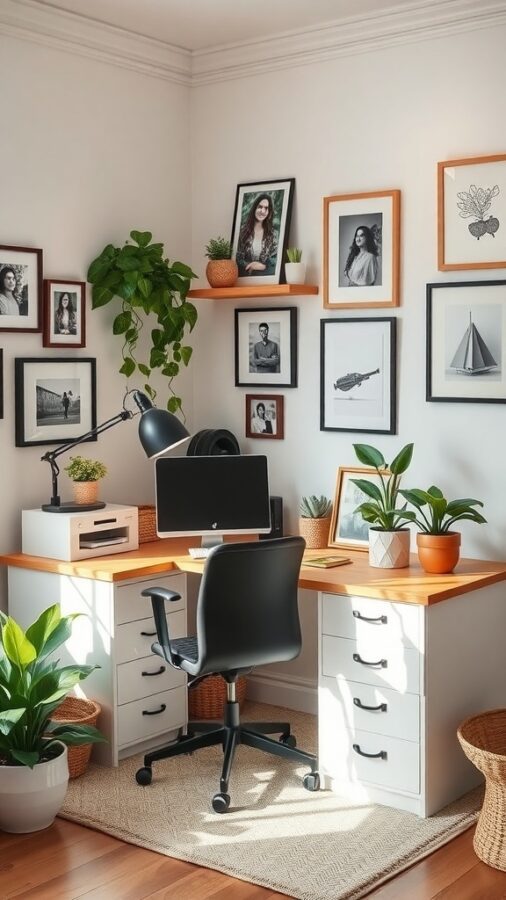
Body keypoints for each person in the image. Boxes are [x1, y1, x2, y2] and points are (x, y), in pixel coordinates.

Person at [236, 193, 278, 277]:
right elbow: (237, 257)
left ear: (269, 212)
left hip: (266, 278)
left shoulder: (273, 234)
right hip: (245, 278)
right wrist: (251, 265)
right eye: (260, 207)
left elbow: (275, 258)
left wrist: (263, 266)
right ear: (254, 208)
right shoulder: (241, 231)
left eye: (266, 208)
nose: (262, 211)